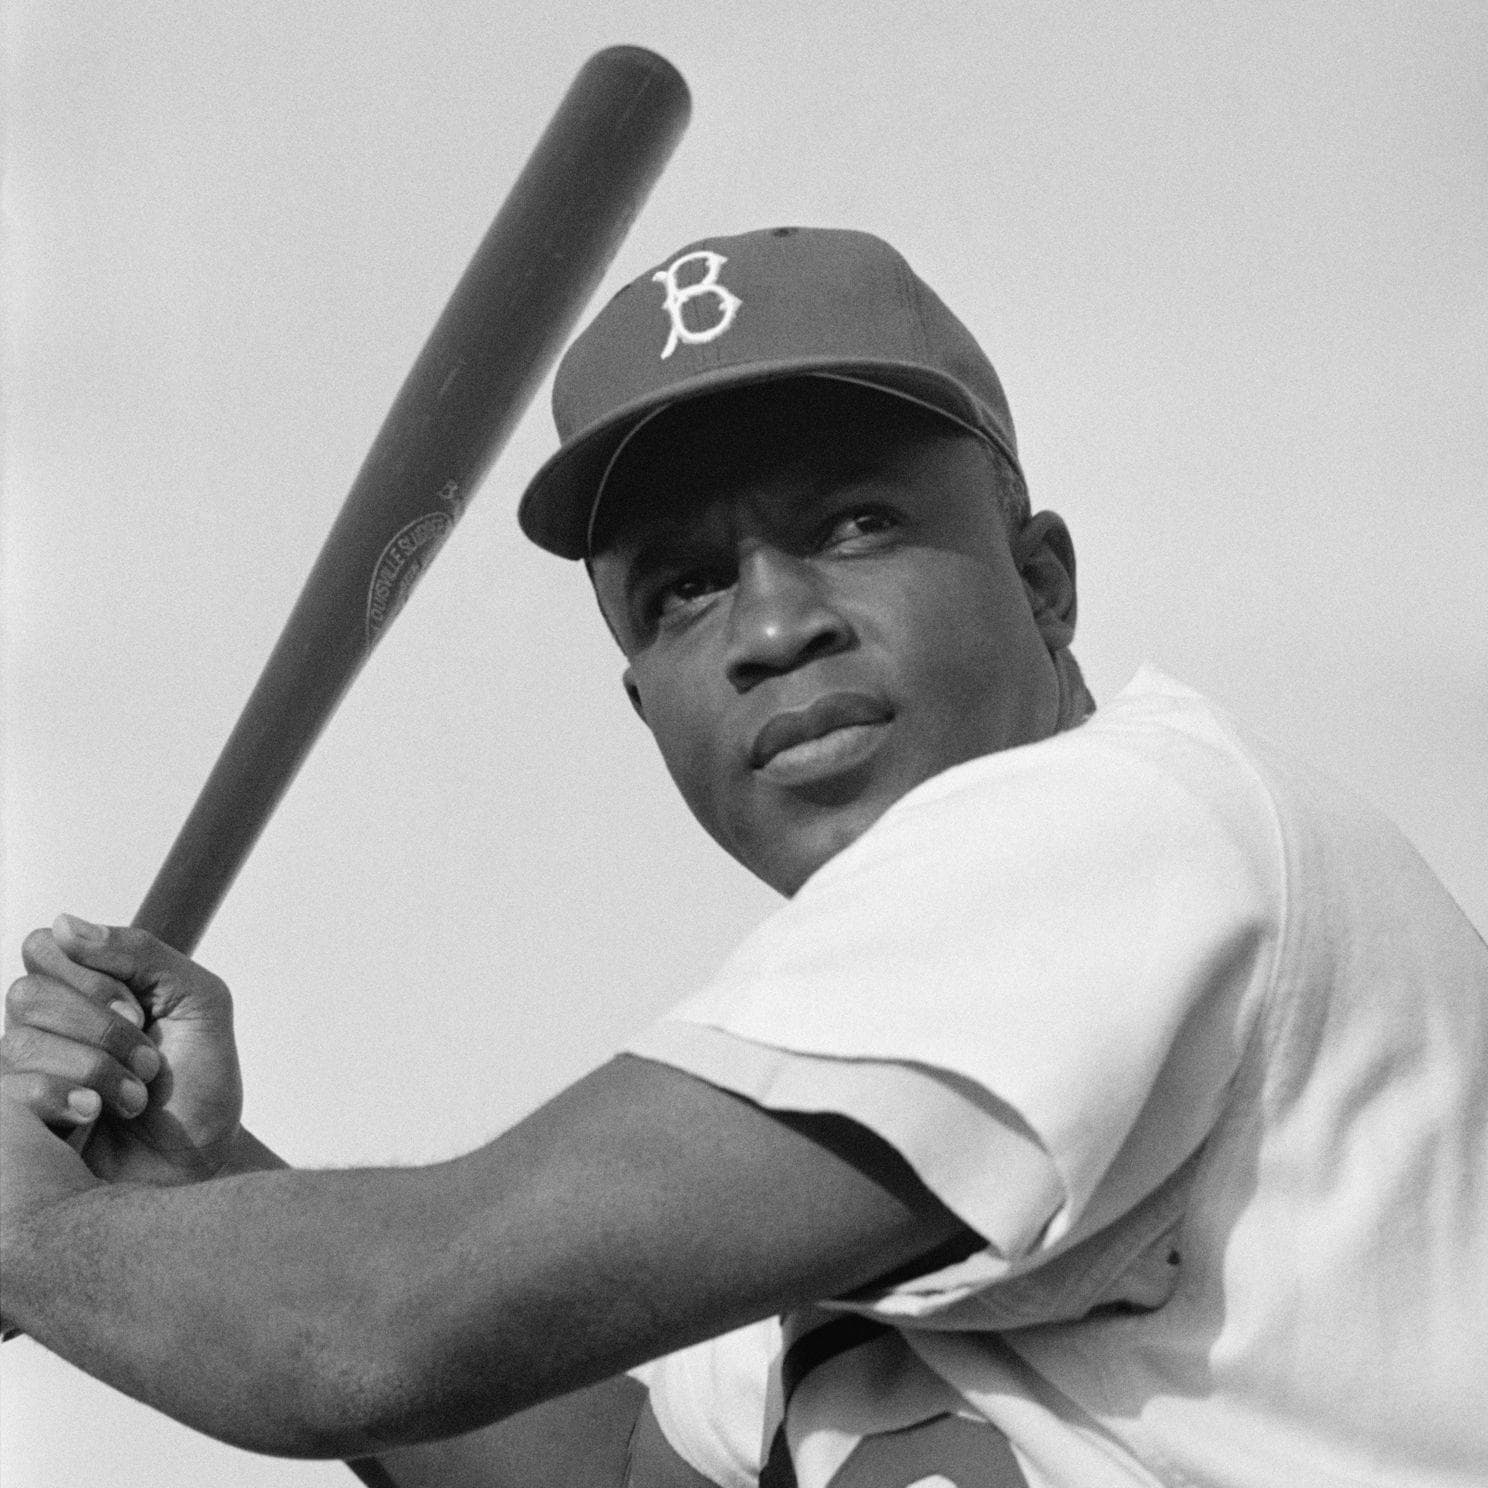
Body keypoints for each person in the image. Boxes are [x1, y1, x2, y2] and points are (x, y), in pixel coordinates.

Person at [3, 227, 1485, 1488]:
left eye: (851, 523)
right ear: (645, 700)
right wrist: (179, 1191)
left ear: (1043, 583)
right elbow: (634, 1469)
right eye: (686, 588)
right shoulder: (811, 1081)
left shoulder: (1125, 824)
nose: (776, 626)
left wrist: (41, 1233)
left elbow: (382, 1326)